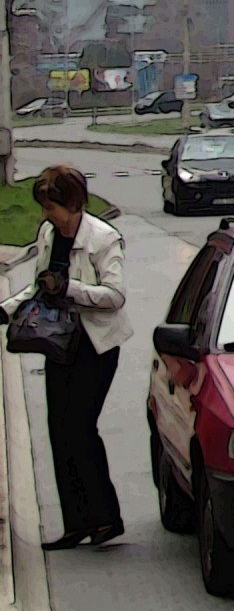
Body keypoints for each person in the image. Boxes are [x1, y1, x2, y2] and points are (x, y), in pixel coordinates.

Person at [2, 165, 129, 549]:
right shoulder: (47, 234)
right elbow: (38, 285)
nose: (47, 216)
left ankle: (106, 519)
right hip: (59, 342)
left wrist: (71, 288)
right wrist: (7, 309)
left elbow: (115, 295)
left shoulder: (104, 239)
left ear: (73, 205)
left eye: (52, 208)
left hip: (96, 345)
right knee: (59, 430)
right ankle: (75, 524)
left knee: (79, 427)